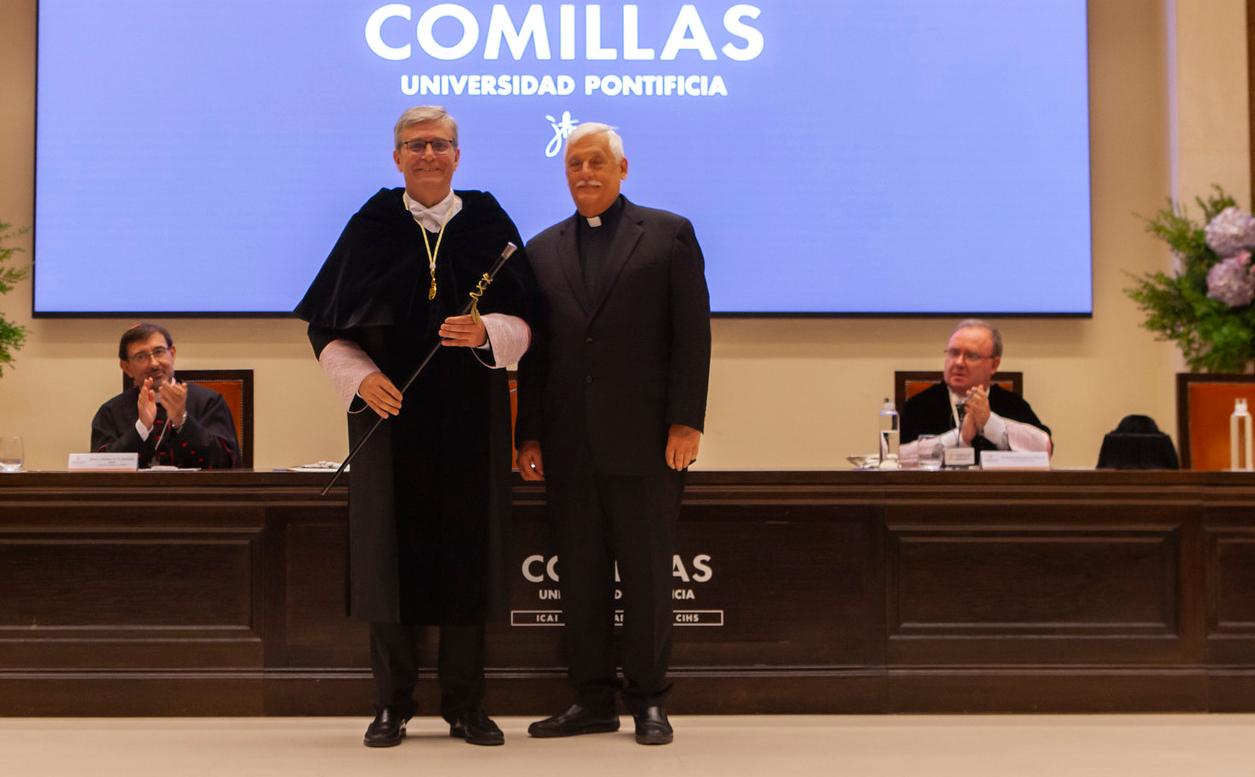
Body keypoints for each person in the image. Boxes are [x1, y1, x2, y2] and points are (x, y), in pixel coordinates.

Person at [294, 106, 532, 748]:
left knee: (468, 558)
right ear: (396, 158)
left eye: (440, 144)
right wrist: (360, 378)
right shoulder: (371, 225)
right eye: (414, 145)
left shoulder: (488, 222)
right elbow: (326, 329)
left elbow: (530, 319)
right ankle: (391, 704)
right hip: (388, 421)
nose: (428, 154)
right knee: (386, 559)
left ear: (458, 155)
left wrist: (489, 331)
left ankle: (466, 705)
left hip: (469, 421)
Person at [516, 122, 711, 746]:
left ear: (622, 169)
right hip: (570, 446)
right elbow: (536, 355)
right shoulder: (542, 249)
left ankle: (650, 700)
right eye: (574, 163)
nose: (585, 173)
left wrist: (687, 419)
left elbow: (692, 336)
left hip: (648, 442)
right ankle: (592, 699)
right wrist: (530, 435)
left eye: (597, 162)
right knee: (579, 576)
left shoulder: (668, 233)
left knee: (650, 575)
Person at [90, 322, 240, 468]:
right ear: (126, 367)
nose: (154, 364)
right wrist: (141, 428)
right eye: (141, 356)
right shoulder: (111, 411)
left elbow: (228, 462)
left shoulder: (209, 402)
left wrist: (182, 421)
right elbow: (100, 468)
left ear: (172, 354)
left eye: (159, 352)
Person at [900, 319, 1051, 459]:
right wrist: (959, 438)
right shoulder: (920, 405)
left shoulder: (1012, 404)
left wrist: (990, 422)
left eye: (971, 356)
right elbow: (897, 457)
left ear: (994, 364)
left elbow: (1045, 450)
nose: (959, 362)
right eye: (953, 353)